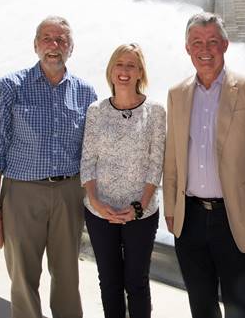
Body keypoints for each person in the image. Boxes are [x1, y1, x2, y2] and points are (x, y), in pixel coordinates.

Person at [0, 16, 97, 318]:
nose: (54, 45)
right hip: (22, 194)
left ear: (71, 47)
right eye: (47, 38)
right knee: (22, 277)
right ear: (35, 45)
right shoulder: (10, 87)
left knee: (68, 275)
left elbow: (94, 152)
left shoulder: (86, 92)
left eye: (61, 39)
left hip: (69, 193)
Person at [163, 12, 245, 318]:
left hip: (237, 218)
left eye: (213, 41)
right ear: (187, 48)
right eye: (197, 42)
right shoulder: (177, 94)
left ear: (225, 45)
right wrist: (172, 208)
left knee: (242, 310)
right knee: (201, 306)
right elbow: (172, 157)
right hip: (190, 218)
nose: (205, 49)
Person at [80, 43, 165, 318]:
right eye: (119, 64)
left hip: (141, 213)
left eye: (131, 65)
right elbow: (88, 160)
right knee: (110, 282)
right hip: (99, 212)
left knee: (136, 282)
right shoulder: (96, 110)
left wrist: (139, 206)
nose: (124, 70)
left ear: (140, 71)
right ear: (111, 70)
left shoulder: (155, 111)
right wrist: (96, 202)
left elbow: (156, 163)